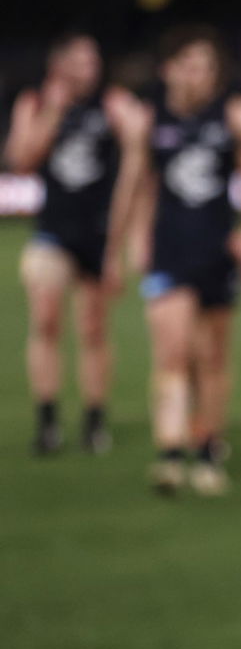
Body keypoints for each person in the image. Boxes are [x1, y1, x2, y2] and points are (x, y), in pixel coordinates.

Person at [104, 27, 241, 495]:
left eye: (208, 67)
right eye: (190, 64)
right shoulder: (150, 121)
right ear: (169, 68)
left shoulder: (233, 116)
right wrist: (118, 247)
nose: (199, 75)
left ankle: (209, 450)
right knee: (171, 349)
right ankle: (169, 454)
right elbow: (130, 186)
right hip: (169, 250)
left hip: (216, 252)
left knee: (211, 357)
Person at [6, 32, 143, 456]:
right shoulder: (35, 103)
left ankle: (94, 420)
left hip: (100, 234)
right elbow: (20, 160)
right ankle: (47, 421)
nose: (89, 69)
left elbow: (141, 150)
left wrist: (124, 242)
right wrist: (52, 110)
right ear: (58, 65)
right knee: (46, 320)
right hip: (53, 232)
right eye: (80, 61)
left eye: (93, 60)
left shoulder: (113, 105)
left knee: (93, 328)